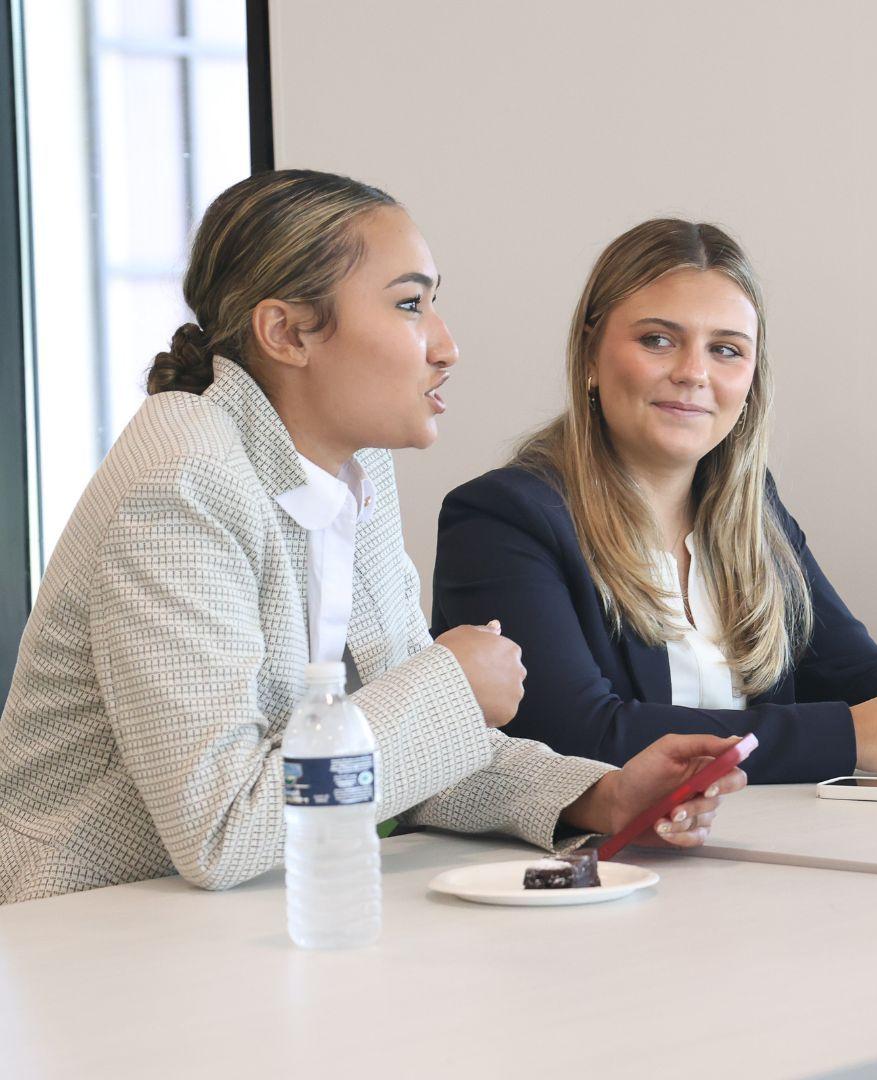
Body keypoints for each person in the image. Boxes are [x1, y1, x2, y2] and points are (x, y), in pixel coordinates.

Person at [0, 176, 746, 904]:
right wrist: (448, 688)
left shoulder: (358, 467)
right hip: (85, 930)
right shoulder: (184, 481)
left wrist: (600, 793)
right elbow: (224, 827)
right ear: (287, 332)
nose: (446, 345)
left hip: (251, 917)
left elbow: (403, 747)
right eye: (410, 305)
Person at [432, 218, 877, 782]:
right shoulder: (503, 518)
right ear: (591, 355)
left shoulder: (749, 509)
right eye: (657, 339)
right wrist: (852, 739)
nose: (693, 372)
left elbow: (855, 675)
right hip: (602, 875)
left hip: (765, 859)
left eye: (726, 350)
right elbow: (576, 737)